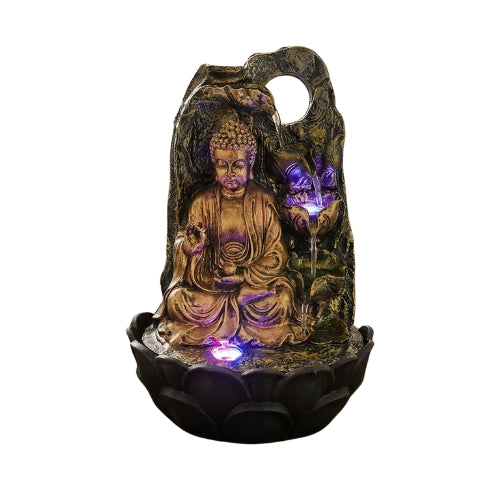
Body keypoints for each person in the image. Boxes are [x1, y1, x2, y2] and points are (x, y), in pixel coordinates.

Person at [154, 119, 307, 347]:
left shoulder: (263, 201)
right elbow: (185, 242)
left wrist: (243, 275)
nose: (230, 173)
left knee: (282, 299)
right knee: (178, 301)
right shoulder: (202, 202)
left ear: (250, 165)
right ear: (214, 166)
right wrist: (190, 248)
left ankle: (242, 301)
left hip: (253, 284)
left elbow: (277, 255)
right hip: (211, 287)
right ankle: (239, 303)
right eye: (222, 165)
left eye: (238, 165)